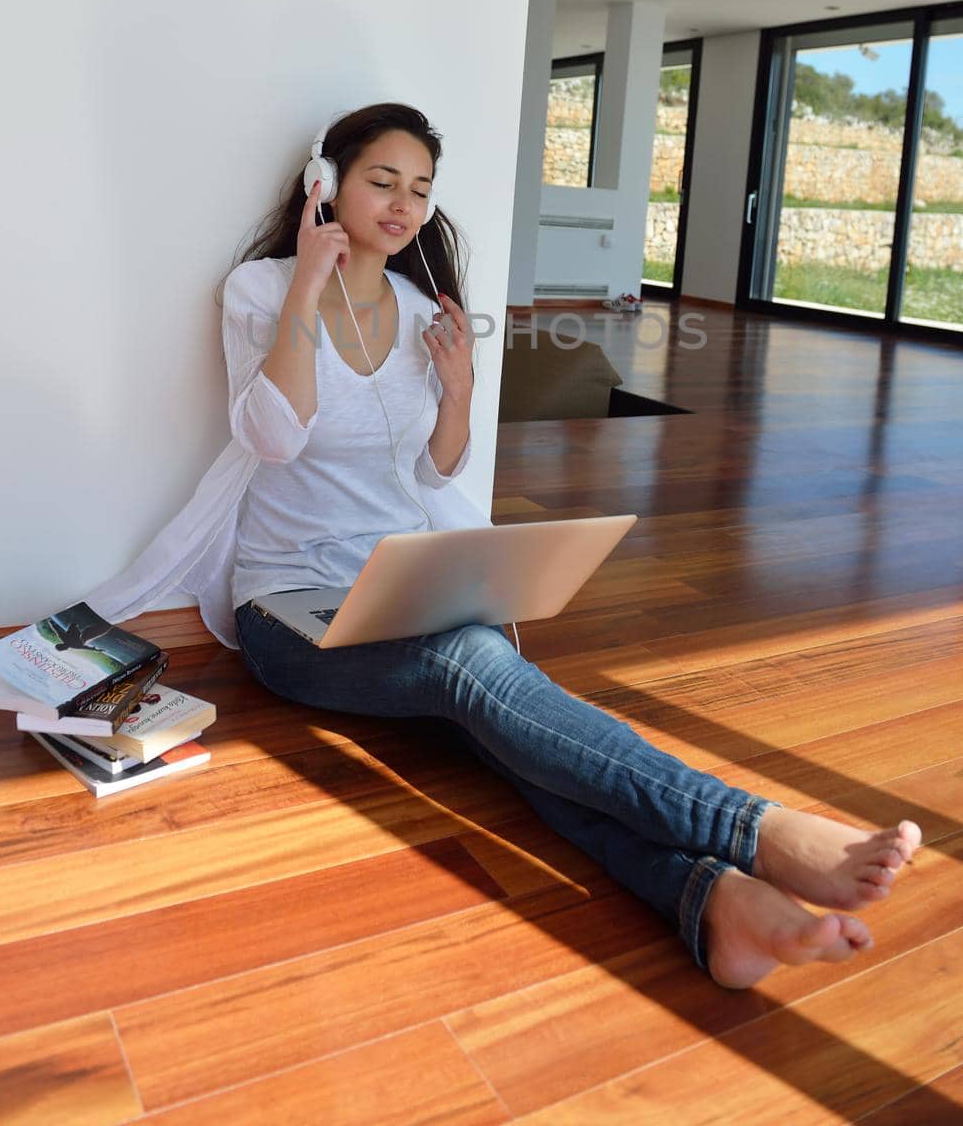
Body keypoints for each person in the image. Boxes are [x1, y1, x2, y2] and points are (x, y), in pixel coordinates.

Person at [225, 102, 921, 990]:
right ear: (327, 185)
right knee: (469, 665)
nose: (403, 205)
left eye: (421, 190)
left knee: (512, 729)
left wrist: (461, 386)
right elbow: (273, 439)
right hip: (288, 612)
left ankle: (717, 905)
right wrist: (304, 286)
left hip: (394, 586)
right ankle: (758, 831)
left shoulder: (417, 306)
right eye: (382, 181)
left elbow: (437, 473)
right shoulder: (259, 292)